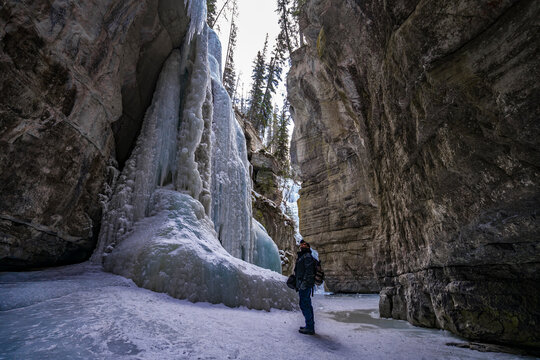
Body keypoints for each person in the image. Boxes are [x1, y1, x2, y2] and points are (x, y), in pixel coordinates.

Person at [294, 239, 315, 335]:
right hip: (303, 284)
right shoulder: (303, 256)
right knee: (306, 304)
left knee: (304, 304)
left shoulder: (307, 256)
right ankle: (309, 325)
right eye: (301, 244)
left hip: (305, 285)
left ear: (308, 247)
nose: (302, 245)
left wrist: (304, 283)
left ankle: (310, 327)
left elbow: (309, 271)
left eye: (305, 244)